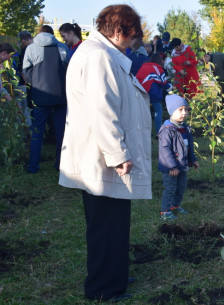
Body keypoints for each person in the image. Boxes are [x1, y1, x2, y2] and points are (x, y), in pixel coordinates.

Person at [58, 4, 151, 302]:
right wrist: (117, 154)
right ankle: (102, 287)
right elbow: (102, 110)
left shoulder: (103, 54)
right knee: (105, 225)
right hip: (103, 157)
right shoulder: (98, 56)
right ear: (119, 30)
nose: (132, 43)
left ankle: (115, 275)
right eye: (131, 35)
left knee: (114, 221)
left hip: (103, 154)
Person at [23, 25, 69, 173]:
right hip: (61, 96)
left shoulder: (31, 48)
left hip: (40, 95)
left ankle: (33, 166)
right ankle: (60, 164)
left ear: (39, 34)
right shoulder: (62, 47)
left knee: (37, 131)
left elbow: (25, 71)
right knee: (61, 132)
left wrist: (35, 84)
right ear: (52, 34)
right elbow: (69, 69)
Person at [158, 94, 199, 220]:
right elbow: (165, 150)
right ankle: (165, 211)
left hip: (183, 165)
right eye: (180, 110)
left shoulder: (185, 128)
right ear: (171, 111)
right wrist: (171, 166)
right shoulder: (167, 130)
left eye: (186, 110)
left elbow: (189, 146)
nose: (184, 113)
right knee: (170, 189)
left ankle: (175, 206)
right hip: (171, 168)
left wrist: (193, 159)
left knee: (181, 188)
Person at [136, 53, 171, 135]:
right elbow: (163, 82)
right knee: (158, 111)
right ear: (159, 60)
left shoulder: (144, 66)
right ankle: (158, 132)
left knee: (143, 112)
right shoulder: (158, 68)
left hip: (141, 92)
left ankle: (142, 132)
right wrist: (170, 86)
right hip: (152, 92)